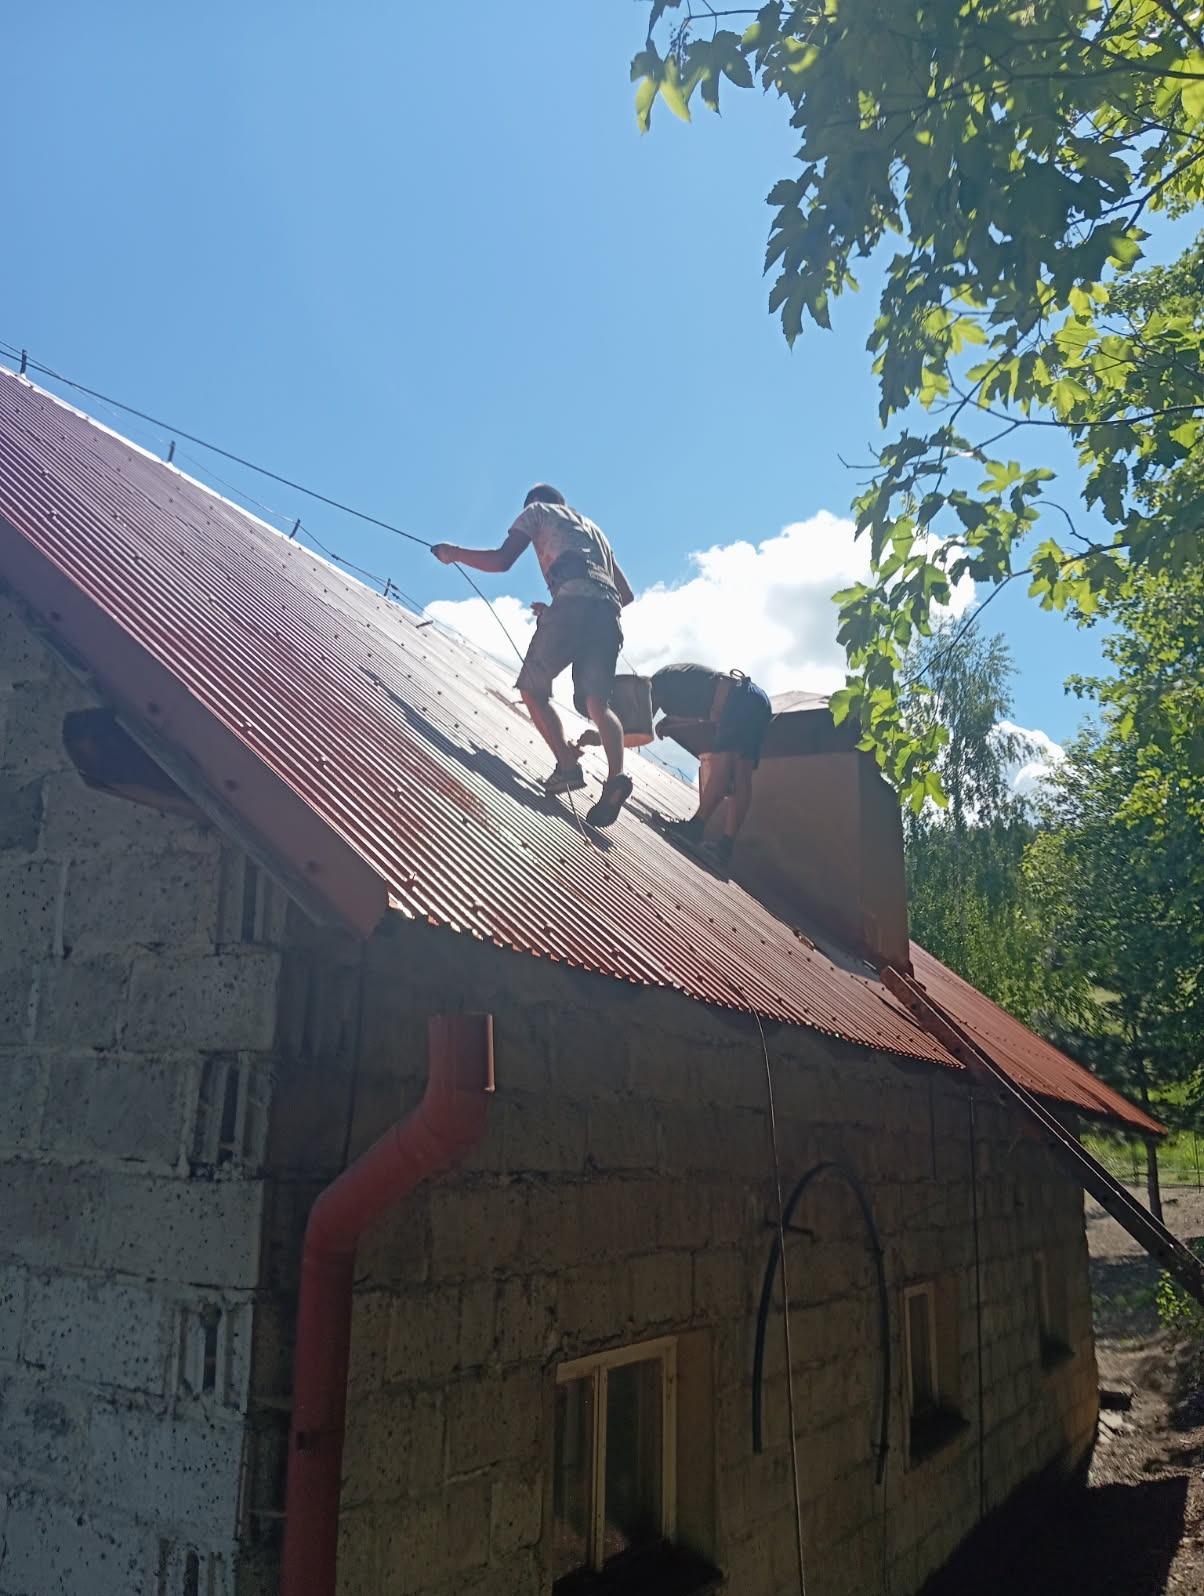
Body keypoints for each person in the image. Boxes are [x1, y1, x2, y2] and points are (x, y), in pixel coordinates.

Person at [431, 486, 637, 826]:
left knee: (532, 688)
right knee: (598, 704)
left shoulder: (537, 511)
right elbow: (625, 594)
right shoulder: (594, 530)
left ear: (535, 503)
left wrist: (453, 553)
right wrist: (566, 607)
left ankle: (568, 767)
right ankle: (616, 777)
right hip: (607, 614)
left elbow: (501, 561)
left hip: (572, 604)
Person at [650, 663, 773, 867]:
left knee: (722, 765)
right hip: (756, 700)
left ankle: (695, 827)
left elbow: (643, 722)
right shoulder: (674, 683)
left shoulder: (658, 682)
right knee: (742, 774)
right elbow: (706, 713)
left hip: (736, 698)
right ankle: (726, 845)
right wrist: (672, 722)